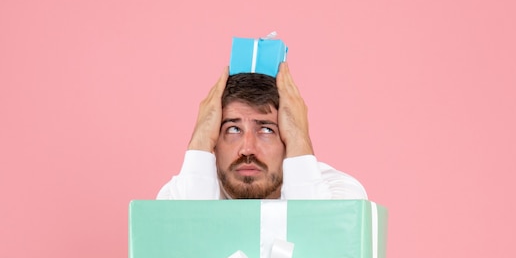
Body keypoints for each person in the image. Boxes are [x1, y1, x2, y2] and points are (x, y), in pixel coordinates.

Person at [156, 62, 367, 200]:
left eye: (266, 129)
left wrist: (299, 139)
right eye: (233, 129)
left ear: (288, 138)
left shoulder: (340, 193)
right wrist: (199, 141)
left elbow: (318, 240)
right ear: (214, 142)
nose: (247, 149)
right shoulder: (178, 195)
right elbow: (184, 245)